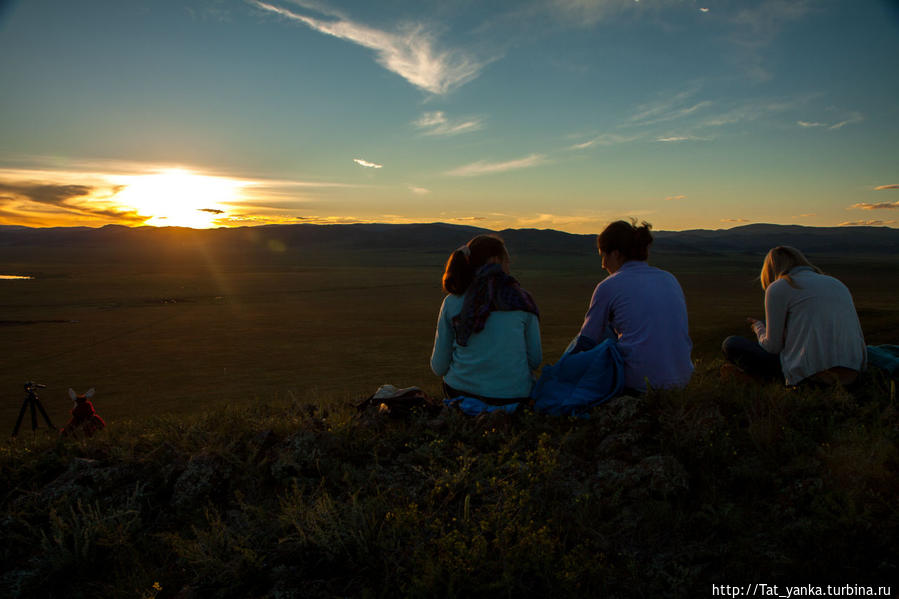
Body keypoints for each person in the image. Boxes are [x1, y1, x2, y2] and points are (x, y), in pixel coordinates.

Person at [570, 220, 693, 393]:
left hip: (640, 384)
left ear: (616, 254)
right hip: (683, 379)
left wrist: (564, 369)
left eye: (603, 256)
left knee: (598, 333)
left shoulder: (609, 285)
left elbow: (586, 340)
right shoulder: (669, 278)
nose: (603, 264)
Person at [722, 246, 866, 386]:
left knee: (731, 343)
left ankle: (760, 380)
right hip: (853, 376)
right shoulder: (837, 283)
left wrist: (758, 329)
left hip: (811, 377)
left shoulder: (779, 287)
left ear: (770, 270)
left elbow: (773, 347)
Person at [430, 235, 542, 403]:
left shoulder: (452, 302)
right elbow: (535, 360)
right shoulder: (523, 300)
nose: (509, 267)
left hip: (460, 392)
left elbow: (439, 367)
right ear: (496, 260)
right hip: (514, 396)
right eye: (507, 262)